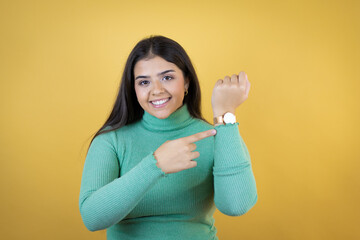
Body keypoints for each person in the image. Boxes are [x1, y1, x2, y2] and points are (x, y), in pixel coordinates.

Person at [79, 35, 257, 240]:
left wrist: (226, 113)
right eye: (144, 82)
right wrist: (155, 165)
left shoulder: (216, 135)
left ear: (187, 81)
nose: (157, 90)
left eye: (167, 77)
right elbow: (92, 219)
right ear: (133, 89)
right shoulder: (111, 140)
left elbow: (236, 206)